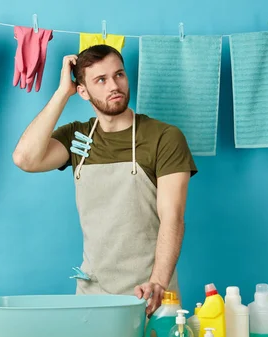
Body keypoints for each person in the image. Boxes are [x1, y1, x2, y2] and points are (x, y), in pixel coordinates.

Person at [12, 44, 197, 315]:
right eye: (101, 79)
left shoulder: (164, 137)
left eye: (119, 75)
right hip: (92, 296)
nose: (114, 85)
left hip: (150, 295)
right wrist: (63, 92)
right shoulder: (78, 138)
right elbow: (25, 159)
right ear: (83, 91)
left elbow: (173, 217)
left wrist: (157, 283)